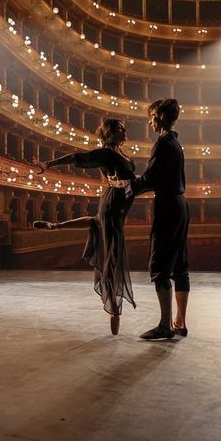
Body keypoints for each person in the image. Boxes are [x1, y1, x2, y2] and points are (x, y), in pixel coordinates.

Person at [32, 118, 136, 335]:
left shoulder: (121, 154)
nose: (124, 131)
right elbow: (78, 157)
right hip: (112, 205)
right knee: (111, 256)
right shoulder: (106, 153)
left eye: (123, 128)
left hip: (117, 206)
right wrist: (48, 164)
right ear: (109, 133)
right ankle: (113, 309)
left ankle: (55, 225)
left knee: (97, 224)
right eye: (118, 129)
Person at [129, 98, 190, 340]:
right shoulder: (176, 143)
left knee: (160, 266)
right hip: (180, 203)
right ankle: (180, 323)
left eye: (152, 116)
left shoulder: (163, 143)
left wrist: (128, 188)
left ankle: (165, 326)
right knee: (180, 267)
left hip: (167, 205)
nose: (150, 121)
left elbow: (151, 178)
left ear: (162, 116)